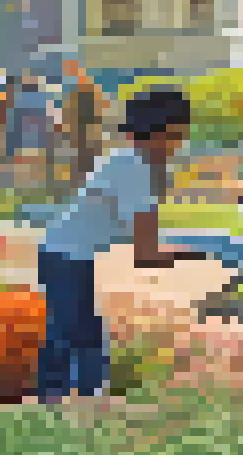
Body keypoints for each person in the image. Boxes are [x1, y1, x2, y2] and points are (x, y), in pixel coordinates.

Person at [35, 91, 206, 403]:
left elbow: (140, 239)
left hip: (67, 254)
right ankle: (60, 407)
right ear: (163, 132)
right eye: (179, 135)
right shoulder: (136, 168)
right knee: (71, 335)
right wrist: (200, 251)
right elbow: (146, 254)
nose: (179, 145)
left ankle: (76, 407)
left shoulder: (129, 161)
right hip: (66, 257)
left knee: (80, 334)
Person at [63, 59, 106, 189]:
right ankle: (80, 186)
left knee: (87, 162)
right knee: (80, 162)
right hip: (79, 135)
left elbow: (97, 114)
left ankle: (85, 186)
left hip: (87, 135)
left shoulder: (88, 90)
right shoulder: (76, 91)